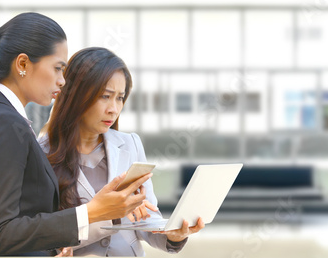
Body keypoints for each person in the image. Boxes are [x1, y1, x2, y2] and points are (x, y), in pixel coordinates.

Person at [0, 13, 152, 256]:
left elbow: (0, 226)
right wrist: (92, 211)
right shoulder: (4, 123)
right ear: (22, 65)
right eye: (58, 69)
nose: (63, 81)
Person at [39, 47, 205, 256]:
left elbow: (146, 219)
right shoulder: (42, 153)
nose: (113, 109)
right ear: (76, 95)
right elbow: (44, 237)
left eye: (120, 98)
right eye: (105, 96)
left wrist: (172, 235)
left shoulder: (130, 144)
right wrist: (113, 214)